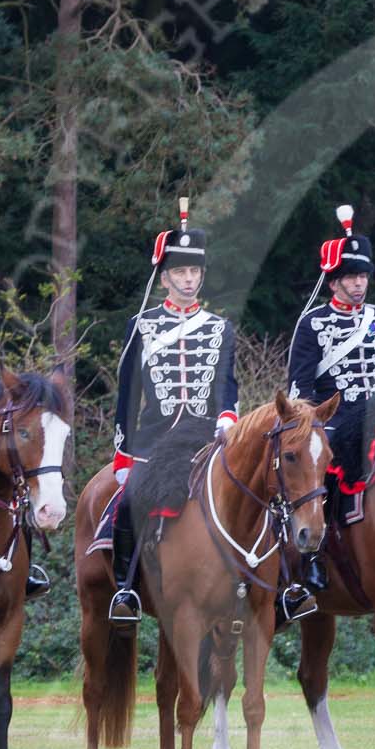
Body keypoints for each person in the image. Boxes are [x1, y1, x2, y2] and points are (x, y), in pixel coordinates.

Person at [108, 200, 239, 623]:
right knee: (128, 499)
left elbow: (227, 383)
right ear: (164, 278)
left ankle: (257, 584)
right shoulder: (141, 325)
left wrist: (227, 417)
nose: (188, 279)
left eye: (194, 272)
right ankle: (126, 589)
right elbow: (127, 395)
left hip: (206, 438)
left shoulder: (220, 327)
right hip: (156, 439)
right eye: (180, 272)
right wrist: (124, 453)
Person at [287, 204, 375, 591]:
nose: (359, 284)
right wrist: (313, 427)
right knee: (322, 476)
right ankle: (315, 559)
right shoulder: (312, 324)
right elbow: (300, 390)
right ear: (333, 282)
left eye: (362, 276)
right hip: (334, 421)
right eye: (350, 277)